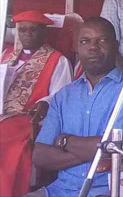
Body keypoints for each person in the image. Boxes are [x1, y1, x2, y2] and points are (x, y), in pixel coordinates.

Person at [27, 17, 123, 197]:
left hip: (107, 191)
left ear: (115, 45)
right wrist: (96, 150)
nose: (93, 47)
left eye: (102, 40)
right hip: (59, 191)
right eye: (85, 41)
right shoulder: (63, 96)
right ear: (76, 47)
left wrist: (64, 141)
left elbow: (115, 147)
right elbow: (40, 156)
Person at [0, 10, 72, 197]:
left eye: (33, 30)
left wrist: (43, 103)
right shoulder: (6, 54)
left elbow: (61, 95)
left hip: (28, 117)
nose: (27, 34)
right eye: (23, 30)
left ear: (44, 32)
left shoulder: (58, 60)